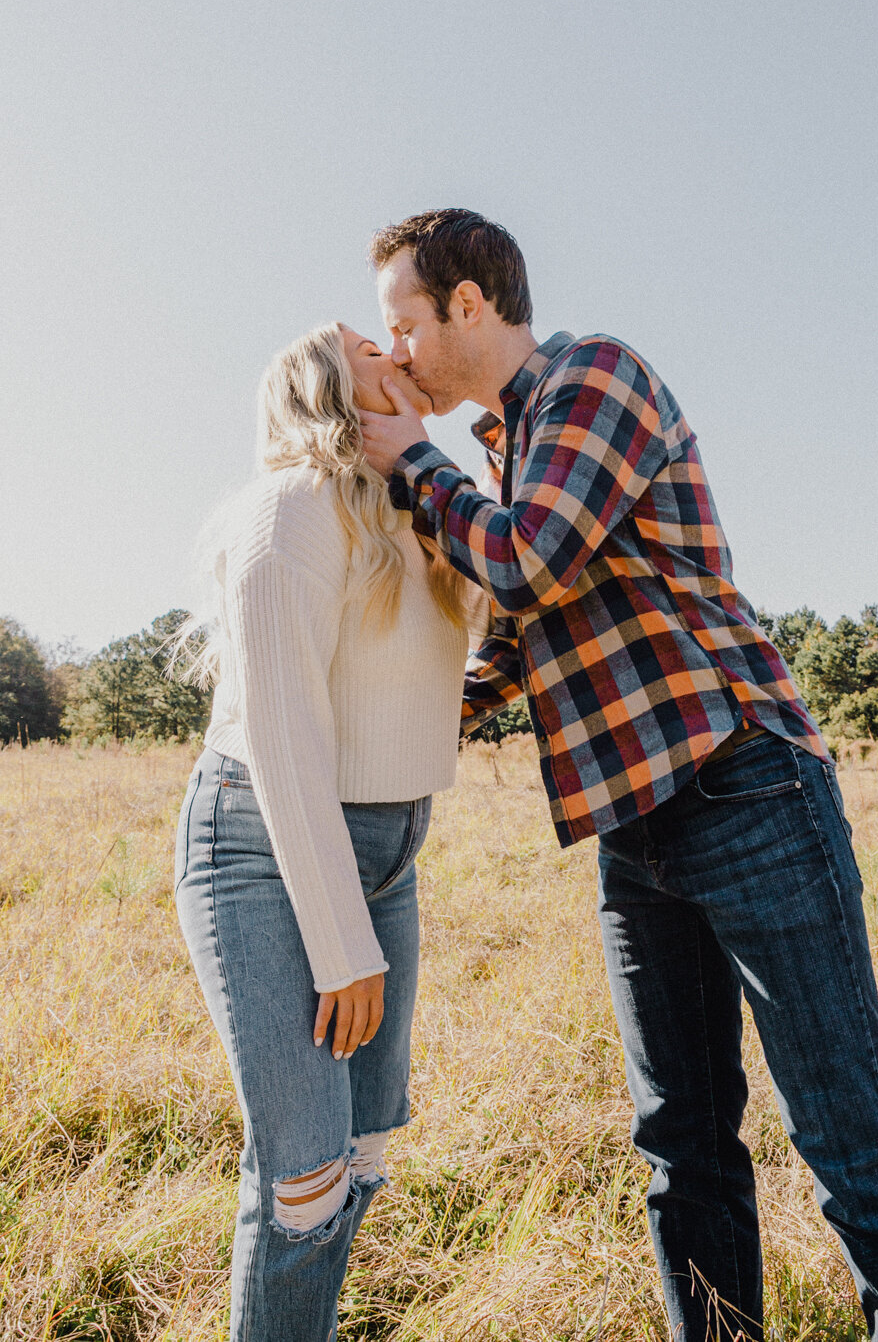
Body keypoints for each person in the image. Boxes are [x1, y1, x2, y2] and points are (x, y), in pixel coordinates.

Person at [358, 209, 878, 1342]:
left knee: (849, 1138)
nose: (394, 352)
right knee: (680, 1145)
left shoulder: (592, 379)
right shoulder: (506, 449)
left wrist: (408, 457)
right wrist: (356, 732)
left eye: (399, 324)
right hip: (633, 830)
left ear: (466, 304)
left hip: (742, 788)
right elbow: (504, 654)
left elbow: (527, 557)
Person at [173, 324, 469, 1342]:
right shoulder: (287, 514)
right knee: (305, 1173)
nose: (390, 343)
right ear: (330, 391)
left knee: (365, 1152)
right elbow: (288, 743)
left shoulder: (416, 515)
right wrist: (345, 949)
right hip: (266, 845)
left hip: (386, 859)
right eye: (361, 343)